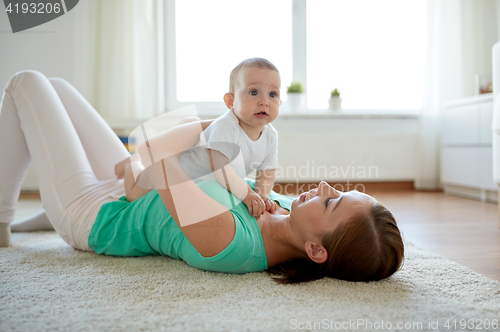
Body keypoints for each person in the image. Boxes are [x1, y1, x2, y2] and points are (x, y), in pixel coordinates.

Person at [0, 70, 404, 284]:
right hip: (130, 188)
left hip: (97, 214)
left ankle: (4, 219)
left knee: (26, 83)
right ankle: (29, 219)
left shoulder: (231, 240)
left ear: (317, 251)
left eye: (331, 201)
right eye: (338, 189)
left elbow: (150, 153)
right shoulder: (281, 209)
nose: (323, 188)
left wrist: (226, 123)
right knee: (56, 86)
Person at [176, 57, 281, 219]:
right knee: (137, 192)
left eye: (272, 94)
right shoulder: (226, 125)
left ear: (280, 102)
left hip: (211, 187)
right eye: (254, 92)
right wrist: (247, 194)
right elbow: (220, 167)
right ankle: (132, 164)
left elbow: (267, 171)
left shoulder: (271, 135)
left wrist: (262, 195)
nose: (264, 101)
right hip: (181, 177)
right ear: (230, 101)